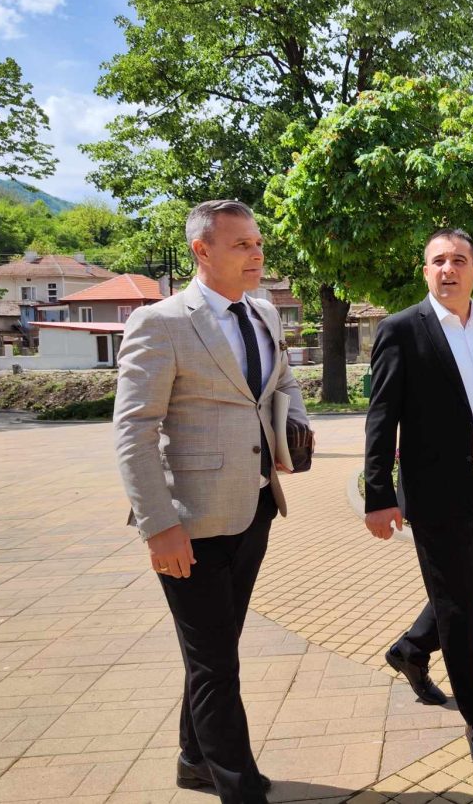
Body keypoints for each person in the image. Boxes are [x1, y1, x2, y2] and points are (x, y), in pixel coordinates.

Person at [114, 199, 309, 804]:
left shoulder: (263, 311)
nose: (257, 254)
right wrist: (158, 526)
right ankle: (238, 785)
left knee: (215, 651)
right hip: (188, 523)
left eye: (258, 243)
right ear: (202, 250)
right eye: (241, 245)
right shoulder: (161, 322)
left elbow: (282, 380)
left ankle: (194, 760)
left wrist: (294, 428)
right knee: (216, 664)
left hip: (254, 508)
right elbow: (134, 430)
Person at [363, 228, 473, 774]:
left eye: (459, 260)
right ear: (426, 272)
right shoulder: (400, 330)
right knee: (459, 608)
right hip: (435, 491)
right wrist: (378, 494)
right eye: (438, 260)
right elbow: (381, 416)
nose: (449, 268)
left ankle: (412, 650)